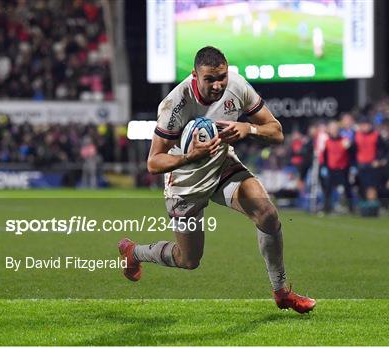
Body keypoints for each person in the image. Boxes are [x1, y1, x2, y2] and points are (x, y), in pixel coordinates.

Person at [117, 46, 316, 314]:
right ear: (194, 76)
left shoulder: (237, 86)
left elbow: (276, 132)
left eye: (221, 76)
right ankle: (134, 252)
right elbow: (154, 162)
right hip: (186, 184)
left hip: (222, 168)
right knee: (188, 260)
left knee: (267, 214)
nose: (218, 84)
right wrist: (190, 156)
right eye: (209, 79)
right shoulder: (175, 104)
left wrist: (249, 128)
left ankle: (281, 292)